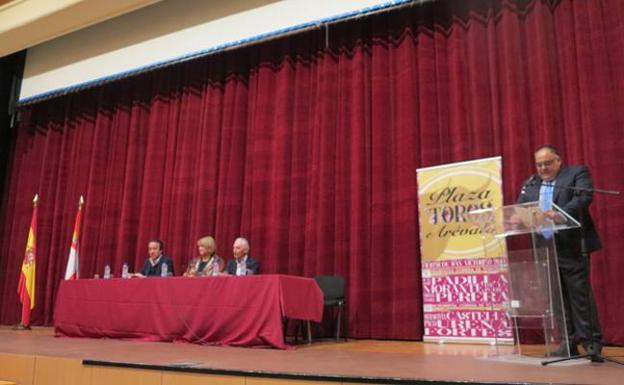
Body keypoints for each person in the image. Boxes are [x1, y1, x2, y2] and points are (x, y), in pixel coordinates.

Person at [517, 145, 602, 360]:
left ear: (558, 161)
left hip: (572, 245)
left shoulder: (576, 174)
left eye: (547, 163)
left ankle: (591, 343)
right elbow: (521, 207)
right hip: (544, 247)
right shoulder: (531, 183)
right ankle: (568, 343)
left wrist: (561, 213)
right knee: (557, 299)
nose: (543, 168)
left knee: (579, 296)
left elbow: (584, 198)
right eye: (539, 164)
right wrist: (517, 217)